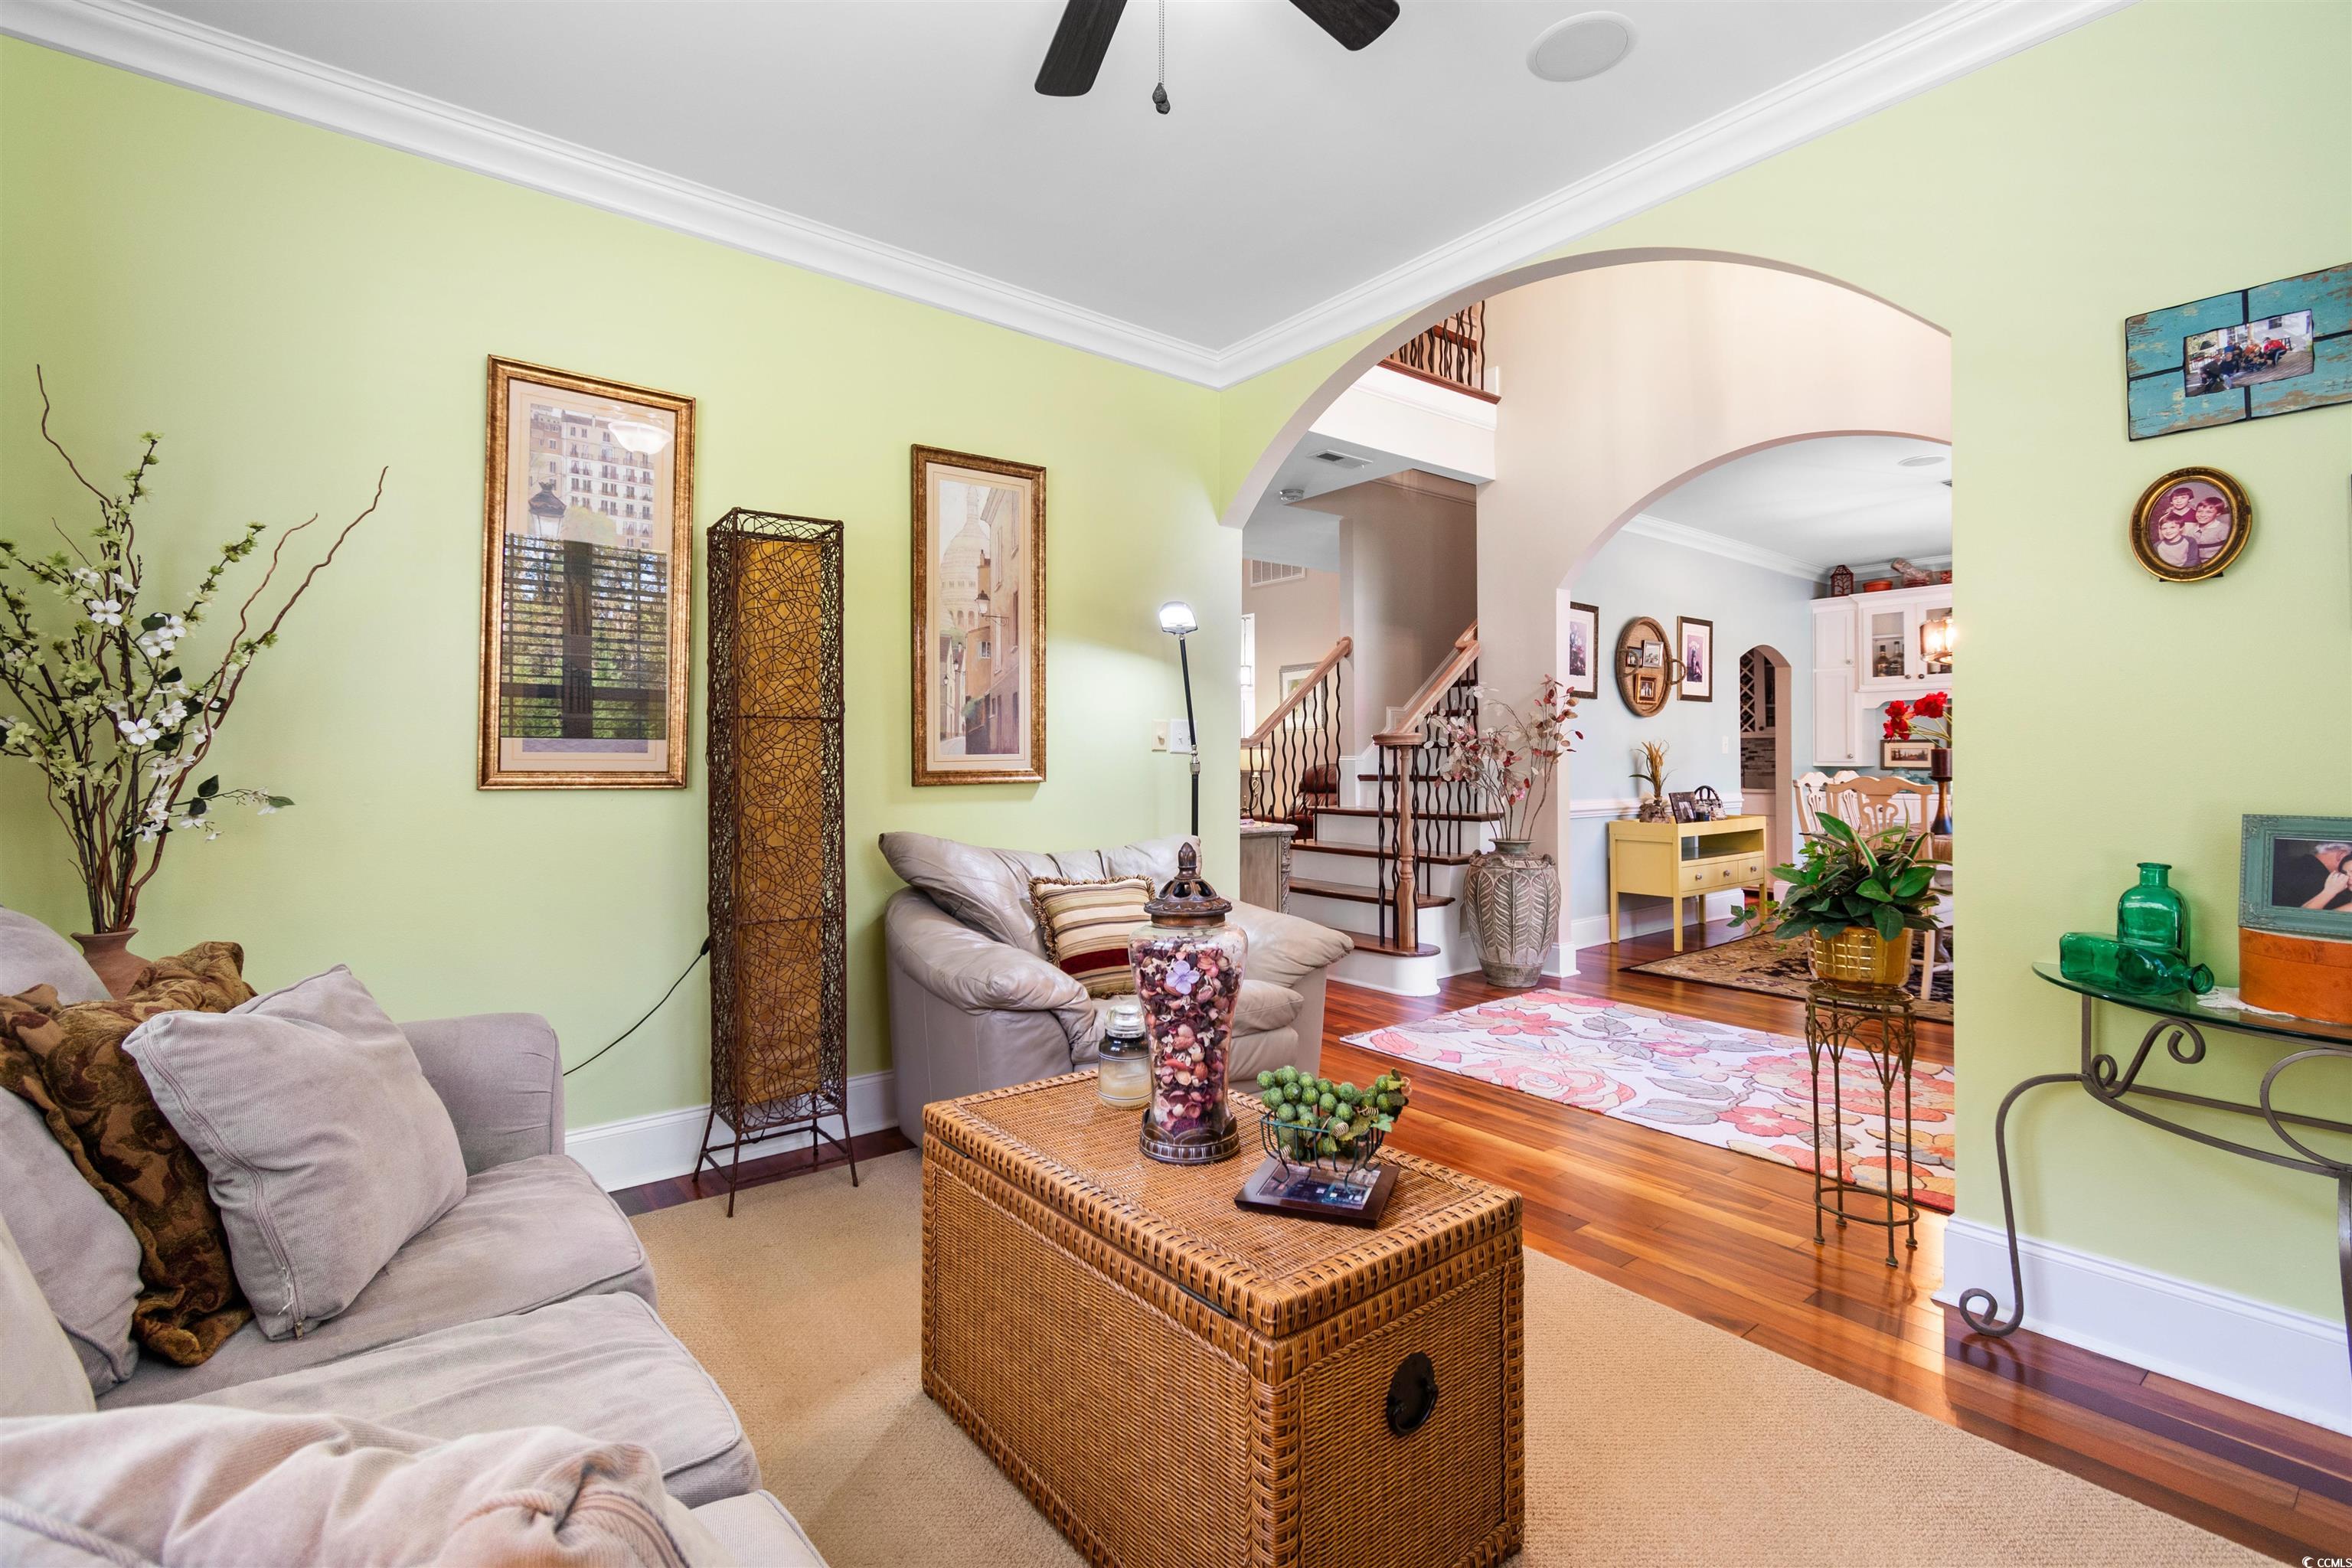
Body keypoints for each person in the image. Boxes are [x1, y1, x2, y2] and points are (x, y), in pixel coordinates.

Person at [2275, 841, 2352, 912]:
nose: (2347, 878)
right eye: (2344, 873)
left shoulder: (2291, 866)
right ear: (2341, 855)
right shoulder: (2321, 880)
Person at [2187, 493, 2233, 566]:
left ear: (2218, 513)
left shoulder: (2223, 529)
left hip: (2220, 564)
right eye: (2200, 511)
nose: (2202, 515)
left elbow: (2230, 553)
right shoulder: (2192, 532)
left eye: (2209, 512)